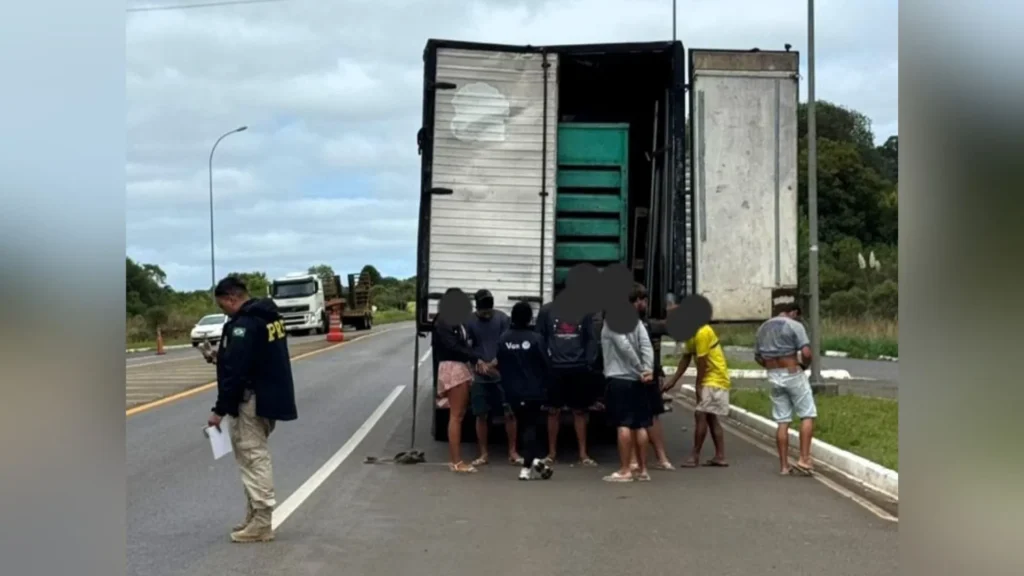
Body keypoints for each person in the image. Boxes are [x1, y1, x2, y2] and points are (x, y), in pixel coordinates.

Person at [205, 276, 297, 543]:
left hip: (252, 400)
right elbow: (254, 357)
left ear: (232, 298)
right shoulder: (270, 317)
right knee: (250, 457)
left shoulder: (244, 324)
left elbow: (236, 370)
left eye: (223, 306)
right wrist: (220, 356)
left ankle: (262, 522)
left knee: (253, 457)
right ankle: (254, 514)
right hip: (270, 398)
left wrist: (219, 410)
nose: (224, 311)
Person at [753, 302, 817, 476]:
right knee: (807, 414)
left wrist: (770, 367)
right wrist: (805, 366)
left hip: (773, 374)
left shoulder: (763, 327)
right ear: (794, 312)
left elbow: (758, 356)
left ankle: (783, 466)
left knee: (782, 420)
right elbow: (806, 352)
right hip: (792, 372)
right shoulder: (795, 325)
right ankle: (804, 458)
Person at [600, 286, 656, 482]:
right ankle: (642, 470)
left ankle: (625, 470)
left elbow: (623, 346)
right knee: (640, 425)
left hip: (619, 378)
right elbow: (646, 346)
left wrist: (640, 367)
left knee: (623, 424)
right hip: (639, 381)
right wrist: (647, 369)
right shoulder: (637, 323)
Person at [535, 301, 599, 467]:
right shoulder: (547, 311)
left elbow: (591, 338)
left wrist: (588, 362)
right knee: (553, 411)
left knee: (579, 411)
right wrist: (546, 361)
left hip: (578, 367)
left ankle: (583, 455)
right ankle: (551, 454)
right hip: (555, 368)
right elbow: (539, 337)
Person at [496, 301, 555, 481]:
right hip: (533, 391)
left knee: (523, 426)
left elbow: (501, 365)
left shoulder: (504, 339)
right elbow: (547, 365)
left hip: (512, 391)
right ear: (530, 318)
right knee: (530, 427)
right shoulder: (536, 339)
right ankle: (526, 467)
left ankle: (535, 462)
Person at [433, 288, 488, 474]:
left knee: (458, 415)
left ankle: (456, 460)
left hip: (457, 365)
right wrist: (475, 358)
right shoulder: (445, 321)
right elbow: (453, 346)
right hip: (453, 367)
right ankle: (456, 461)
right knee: (456, 416)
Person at [663, 323, 732, 468]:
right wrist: (673, 380)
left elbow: (702, 362)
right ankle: (720, 456)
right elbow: (686, 358)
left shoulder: (702, 332)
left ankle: (695, 455)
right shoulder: (691, 334)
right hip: (710, 377)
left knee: (700, 414)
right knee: (711, 416)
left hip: (715, 377)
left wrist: (698, 385)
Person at [465, 289, 519, 466]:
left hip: (501, 373)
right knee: (481, 414)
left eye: (489, 311)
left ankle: (512, 451)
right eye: (483, 312)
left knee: (509, 413)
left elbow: (508, 342)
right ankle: (483, 454)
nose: (486, 314)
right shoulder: (470, 321)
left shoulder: (503, 319)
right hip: (479, 373)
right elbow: (467, 346)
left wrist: (496, 362)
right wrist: (477, 362)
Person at [630, 284, 674, 471]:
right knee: (642, 417)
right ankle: (642, 459)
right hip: (638, 375)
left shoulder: (644, 323)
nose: (645, 304)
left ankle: (654, 459)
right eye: (643, 300)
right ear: (636, 301)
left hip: (644, 375)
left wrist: (658, 371)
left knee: (646, 417)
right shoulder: (632, 324)